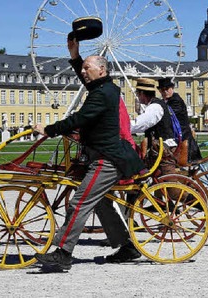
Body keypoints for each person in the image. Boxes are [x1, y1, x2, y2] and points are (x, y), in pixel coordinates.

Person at [32, 36, 146, 271]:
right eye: (83, 69)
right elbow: (87, 84)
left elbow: (80, 118)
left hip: (108, 160)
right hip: (105, 155)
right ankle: (127, 247)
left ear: (102, 70)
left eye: (87, 68)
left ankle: (63, 253)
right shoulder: (104, 88)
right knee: (101, 203)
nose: (84, 72)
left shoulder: (103, 93)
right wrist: (75, 57)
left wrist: (50, 129)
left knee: (79, 203)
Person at [132, 77, 179, 176]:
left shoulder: (155, 107)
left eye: (137, 94)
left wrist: (121, 128)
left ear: (142, 94)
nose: (137, 97)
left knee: (169, 182)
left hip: (163, 149)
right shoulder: (155, 104)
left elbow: (140, 124)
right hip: (161, 147)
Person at [157, 77, 202, 163]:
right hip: (176, 133)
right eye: (162, 90)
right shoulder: (166, 101)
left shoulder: (175, 100)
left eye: (167, 89)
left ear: (172, 88)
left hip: (181, 134)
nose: (165, 92)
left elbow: (167, 115)